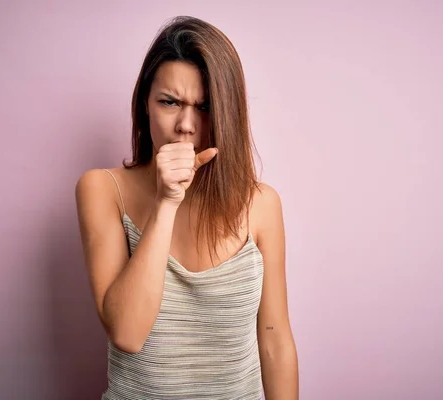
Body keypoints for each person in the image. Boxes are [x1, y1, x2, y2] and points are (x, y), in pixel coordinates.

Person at [75, 15, 299, 399]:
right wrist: (165, 203)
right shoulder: (102, 188)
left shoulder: (262, 204)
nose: (185, 125)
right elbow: (127, 333)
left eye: (205, 107)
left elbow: (275, 341)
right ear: (145, 104)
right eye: (169, 102)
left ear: (229, 114)